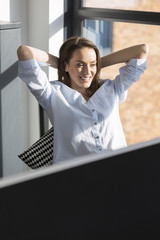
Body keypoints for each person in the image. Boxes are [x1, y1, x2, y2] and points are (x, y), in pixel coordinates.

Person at [17, 36, 149, 163]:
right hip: (74, 176)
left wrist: (98, 63)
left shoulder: (112, 89)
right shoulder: (52, 93)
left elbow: (141, 50)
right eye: (79, 64)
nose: (87, 71)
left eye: (92, 64)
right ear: (66, 65)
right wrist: (61, 64)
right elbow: (25, 52)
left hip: (118, 169)